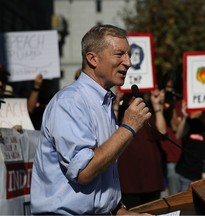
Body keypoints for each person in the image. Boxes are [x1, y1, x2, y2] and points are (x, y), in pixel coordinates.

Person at [31, 24, 152, 215]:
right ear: (92, 59)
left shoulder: (103, 101)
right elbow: (84, 171)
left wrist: (122, 212)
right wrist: (128, 127)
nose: (128, 62)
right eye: (119, 54)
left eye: (128, 55)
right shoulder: (70, 102)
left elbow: (102, 177)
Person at [115, 89, 166, 209]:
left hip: (150, 177)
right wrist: (116, 104)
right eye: (129, 96)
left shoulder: (147, 112)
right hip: (127, 179)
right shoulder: (119, 113)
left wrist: (157, 106)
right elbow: (111, 134)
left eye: (136, 95)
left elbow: (162, 132)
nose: (133, 98)